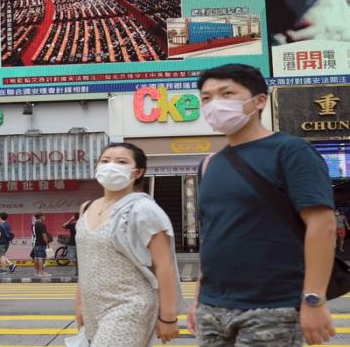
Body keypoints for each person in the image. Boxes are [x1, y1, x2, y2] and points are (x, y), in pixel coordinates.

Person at [187, 64, 337, 346]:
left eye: (227, 93)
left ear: (259, 101)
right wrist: (198, 297)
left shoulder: (291, 151)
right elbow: (213, 234)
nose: (215, 104)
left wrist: (314, 299)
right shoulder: (210, 164)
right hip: (212, 308)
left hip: (272, 306)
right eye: (206, 98)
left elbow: (322, 225)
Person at [74, 143, 182, 346]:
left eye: (121, 161)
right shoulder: (87, 208)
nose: (111, 166)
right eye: (105, 161)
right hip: (94, 308)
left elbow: (164, 265)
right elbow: (86, 259)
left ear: (138, 172)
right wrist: (79, 304)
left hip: (130, 305)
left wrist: (168, 316)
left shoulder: (144, 209)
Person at [32, 213, 51, 277]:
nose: (44, 218)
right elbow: (44, 235)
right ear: (41, 217)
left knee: (36, 258)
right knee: (41, 258)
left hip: (35, 243)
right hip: (41, 243)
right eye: (44, 216)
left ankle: (37, 272)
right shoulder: (41, 224)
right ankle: (41, 272)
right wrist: (47, 243)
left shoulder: (33, 224)